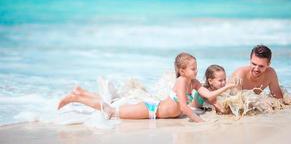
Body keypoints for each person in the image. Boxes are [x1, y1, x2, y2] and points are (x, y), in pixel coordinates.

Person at [58, 52, 235, 123]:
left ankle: (80, 93)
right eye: (193, 68)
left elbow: (207, 93)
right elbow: (183, 107)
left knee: (112, 108)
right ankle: (77, 97)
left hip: (155, 110)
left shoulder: (194, 83)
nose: (196, 71)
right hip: (151, 110)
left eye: (196, 68)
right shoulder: (181, 81)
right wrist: (202, 123)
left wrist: (227, 87)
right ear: (182, 70)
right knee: (111, 111)